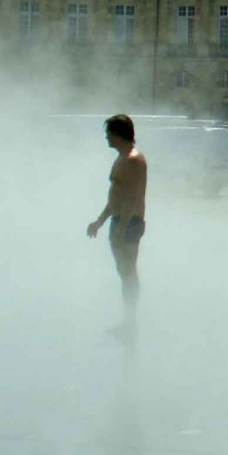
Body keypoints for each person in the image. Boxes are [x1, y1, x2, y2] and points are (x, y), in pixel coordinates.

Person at [86, 114, 148, 339]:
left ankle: (131, 324)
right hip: (119, 220)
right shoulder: (122, 157)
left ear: (118, 134)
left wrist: (121, 228)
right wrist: (100, 221)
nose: (106, 138)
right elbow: (117, 197)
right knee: (123, 272)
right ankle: (128, 323)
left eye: (108, 134)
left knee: (128, 272)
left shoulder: (133, 159)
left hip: (128, 222)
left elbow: (131, 198)